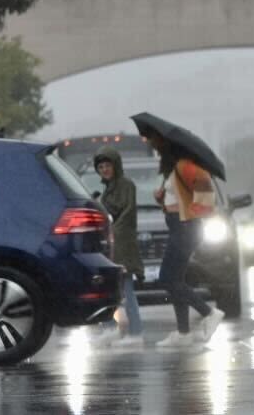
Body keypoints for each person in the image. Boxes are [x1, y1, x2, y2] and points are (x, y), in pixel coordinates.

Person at [147, 132, 225, 348]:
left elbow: (207, 200)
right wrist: (162, 200)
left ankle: (209, 313)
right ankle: (183, 332)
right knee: (176, 281)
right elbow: (178, 200)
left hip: (186, 228)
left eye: (159, 147)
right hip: (179, 226)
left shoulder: (188, 166)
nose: (157, 151)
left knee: (167, 279)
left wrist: (181, 210)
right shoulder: (173, 169)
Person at [93, 146, 144, 346]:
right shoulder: (107, 191)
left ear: (116, 166)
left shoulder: (126, 185)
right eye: (101, 166)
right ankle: (110, 328)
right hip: (110, 246)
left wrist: (112, 229)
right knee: (108, 290)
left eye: (108, 165)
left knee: (126, 289)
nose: (105, 169)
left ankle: (135, 333)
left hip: (123, 246)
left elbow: (127, 213)